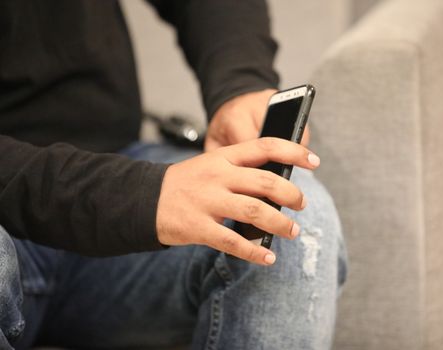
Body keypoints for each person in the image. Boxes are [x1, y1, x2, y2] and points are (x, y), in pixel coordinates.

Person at [0, 1, 347, 349]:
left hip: (111, 162)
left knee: (292, 222)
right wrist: (138, 197)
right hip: (12, 223)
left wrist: (240, 82)